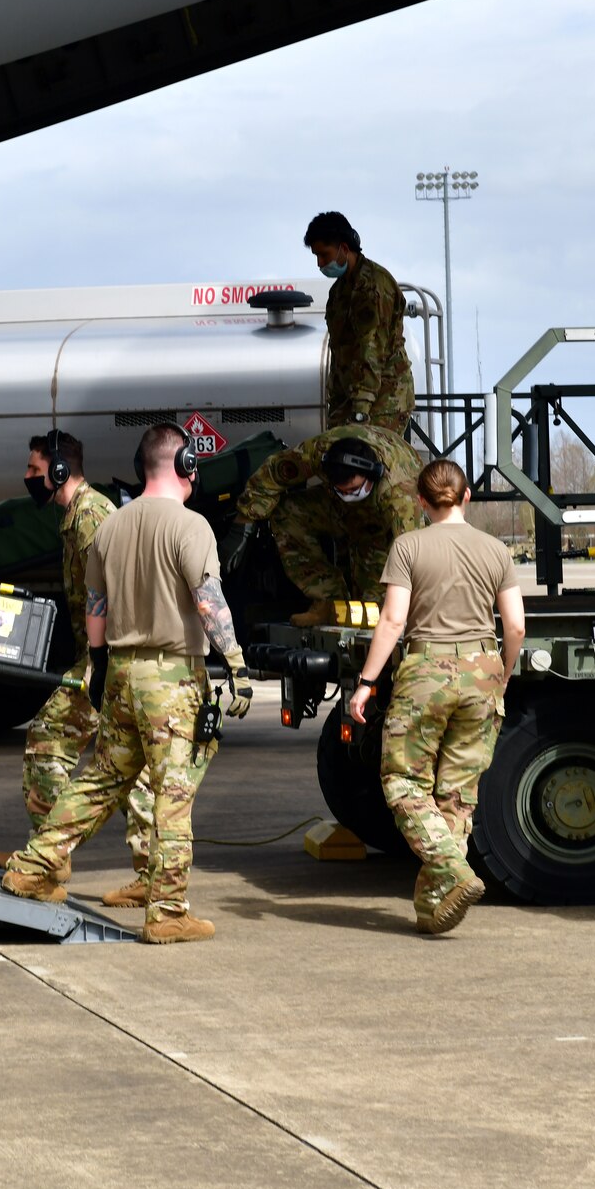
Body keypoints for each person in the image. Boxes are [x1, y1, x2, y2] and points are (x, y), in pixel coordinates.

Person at [3, 424, 252, 945]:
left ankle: (33, 864)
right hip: (172, 678)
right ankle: (167, 910)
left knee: (100, 780)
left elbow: (97, 608)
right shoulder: (191, 526)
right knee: (173, 793)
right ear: (185, 466)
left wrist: (97, 665)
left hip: (119, 671)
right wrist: (236, 664)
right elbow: (209, 599)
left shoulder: (111, 527)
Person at [348, 458, 525, 935]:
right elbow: (516, 625)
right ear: (467, 498)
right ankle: (431, 907)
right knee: (457, 794)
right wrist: (501, 675)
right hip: (484, 670)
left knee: (403, 782)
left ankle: (452, 869)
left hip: (426, 672)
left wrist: (366, 682)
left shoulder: (408, 547)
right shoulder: (495, 550)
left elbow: (392, 622)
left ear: (421, 502)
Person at [2, 429, 157, 904]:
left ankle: (51, 859)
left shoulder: (91, 518)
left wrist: (100, 664)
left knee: (48, 740)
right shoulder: (75, 516)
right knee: (128, 765)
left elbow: (116, 592)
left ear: (59, 470)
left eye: (34, 469)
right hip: (100, 656)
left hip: (107, 657)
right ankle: (151, 874)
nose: (27, 477)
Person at [222, 424, 422, 628]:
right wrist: (244, 521)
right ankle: (328, 600)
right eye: (341, 490)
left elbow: (415, 555)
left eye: (353, 489)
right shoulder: (318, 452)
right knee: (287, 511)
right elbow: (273, 473)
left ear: (373, 475)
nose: (348, 495)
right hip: (338, 509)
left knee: (375, 613)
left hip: (384, 523)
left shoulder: (400, 495)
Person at [305, 211, 412, 434]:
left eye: (324, 255)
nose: (320, 263)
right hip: (350, 399)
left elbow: (371, 349)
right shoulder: (339, 291)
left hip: (384, 399)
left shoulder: (373, 286)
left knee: (371, 462)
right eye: (316, 256)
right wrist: (337, 404)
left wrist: (361, 410)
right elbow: (339, 352)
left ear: (344, 248)